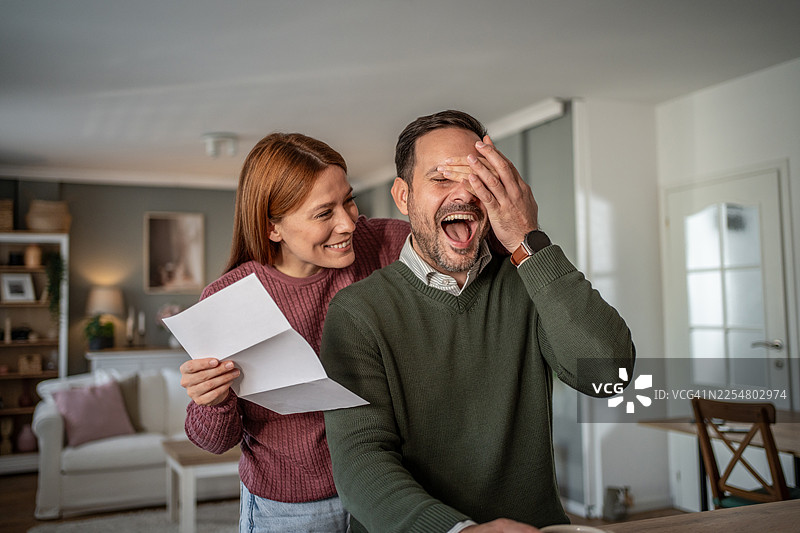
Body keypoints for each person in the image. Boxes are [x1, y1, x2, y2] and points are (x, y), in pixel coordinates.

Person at [320, 110, 636, 533]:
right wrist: (460, 531)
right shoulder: (358, 312)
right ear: (403, 196)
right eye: (441, 178)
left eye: (479, 178)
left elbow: (609, 376)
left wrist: (530, 241)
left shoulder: (530, 280)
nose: (465, 195)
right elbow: (361, 464)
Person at [179, 132, 410, 533]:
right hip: (291, 507)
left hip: (383, 487)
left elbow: (459, 240)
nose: (348, 223)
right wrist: (210, 400)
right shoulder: (227, 299)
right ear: (273, 228)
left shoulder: (377, 244)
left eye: (348, 200)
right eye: (324, 213)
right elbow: (214, 441)